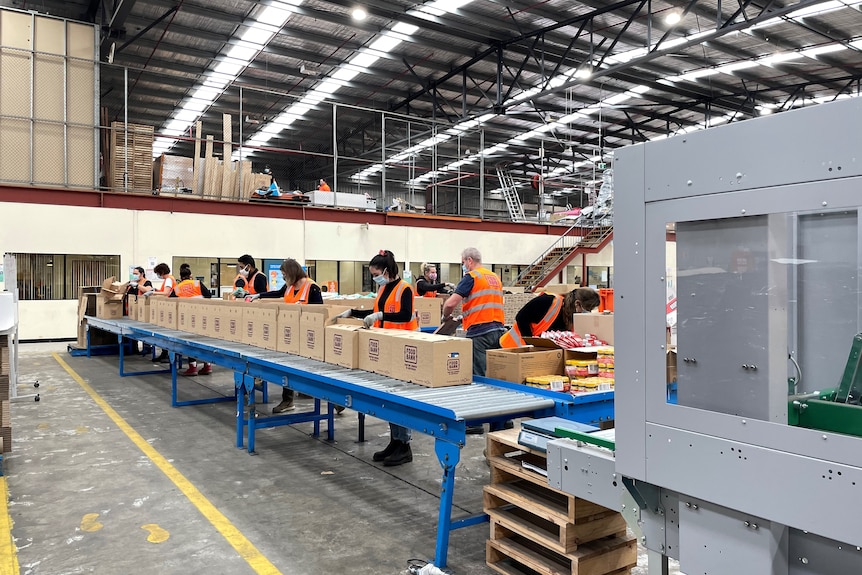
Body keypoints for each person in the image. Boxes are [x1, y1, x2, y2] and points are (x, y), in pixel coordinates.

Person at [348, 250, 418, 467]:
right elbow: (377, 310)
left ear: (387, 270)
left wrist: (379, 316)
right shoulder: (383, 288)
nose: (374, 277)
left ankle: (404, 446)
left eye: (376, 273)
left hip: (403, 345)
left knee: (400, 398)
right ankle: (394, 441)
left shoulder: (405, 288)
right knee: (389, 397)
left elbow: (404, 315)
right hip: (386, 346)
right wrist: (353, 312)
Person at [442, 248, 505, 434]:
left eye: (462, 262)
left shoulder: (471, 277)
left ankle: (476, 421)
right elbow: (484, 303)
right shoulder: (494, 277)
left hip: (480, 333)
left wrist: (445, 316)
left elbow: (450, 303)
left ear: (469, 261)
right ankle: (501, 421)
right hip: (498, 330)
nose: (463, 266)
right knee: (494, 379)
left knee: (476, 376)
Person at [255, 258, 324, 413]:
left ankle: (333, 399)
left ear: (292, 272)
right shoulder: (289, 287)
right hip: (292, 335)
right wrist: (258, 295)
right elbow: (277, 293)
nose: (284, 278)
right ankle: (288, 400)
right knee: (288, 366)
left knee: (313, 370)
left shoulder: (312, 288)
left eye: (285, 274)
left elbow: (320, 312)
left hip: (308, 335)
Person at [499, 288, 600, 348]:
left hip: (535, 354)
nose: (588, 313)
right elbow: (521, 317)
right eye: (588, 309)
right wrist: (529, 344)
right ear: (577, 304)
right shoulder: (548, 301)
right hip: (513, 347)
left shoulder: (570, 318)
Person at [174, 267, 214, 376]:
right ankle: (207, 365)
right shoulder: (197, 283)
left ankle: (193, 367)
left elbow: (172, 301)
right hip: (202, 315)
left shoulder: (178, 287)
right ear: (190, 275)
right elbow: (209, 296)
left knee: (190, 342)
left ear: (181, 277)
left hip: (187, 317)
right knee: (203, 341)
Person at [127, 266, 154, 355]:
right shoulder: (132, 283)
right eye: (133, 274)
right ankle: (133, 347)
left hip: (143, 310)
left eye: (136, 274)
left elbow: (148, 290)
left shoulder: (146, 282)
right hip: (132, 310)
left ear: (142, 274)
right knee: (132, 330)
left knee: (144, 329)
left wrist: (138, 286)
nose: (134, 275)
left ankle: (147, 347)